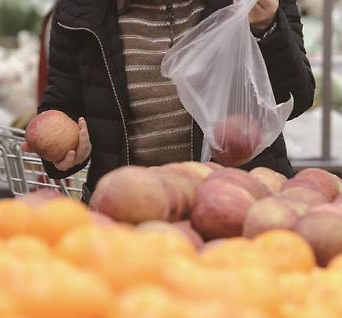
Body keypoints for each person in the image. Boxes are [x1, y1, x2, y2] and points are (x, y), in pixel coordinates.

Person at [35, 0, 315, 202]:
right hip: (131, 211)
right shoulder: (79, 12)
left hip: (238, 203)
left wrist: (267, 29)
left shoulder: (247, 3)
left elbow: (295, 97)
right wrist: (64, 154)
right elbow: (61, 105)